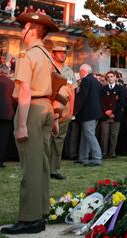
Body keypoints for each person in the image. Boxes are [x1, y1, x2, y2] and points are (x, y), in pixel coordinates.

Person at [0, 12, 59, 235]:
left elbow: (24, 91)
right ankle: (41, 211)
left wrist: (22, 124)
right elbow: (56, 87)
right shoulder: (48, 55)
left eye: (23, 27)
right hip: (46, 107)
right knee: (42, 164)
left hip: (32, 109)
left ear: (32, 30)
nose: (21, 31)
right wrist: (53, 116)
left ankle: (30, 219)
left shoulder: (27, 55)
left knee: (30, 167)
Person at [49, 45, 75, 179]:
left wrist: (71, 111)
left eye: (65, 53)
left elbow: (72, 93)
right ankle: (43, 168)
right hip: (48, 110)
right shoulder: (48, 67)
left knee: (59, 142)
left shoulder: (69, 71)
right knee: (46, 140)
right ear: (53, 54)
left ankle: (55, 170)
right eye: (60, 53)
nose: (63, 55)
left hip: (64, 112)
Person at [73, 64, 103, 167]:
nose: (79, 74)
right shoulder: (96, 81)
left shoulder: (86, 81)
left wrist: (75, 110)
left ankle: (97, 158)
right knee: (86, 135)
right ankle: (83, 157)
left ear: (83, 71)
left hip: (88, 113)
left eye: (80, 72)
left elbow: (82, 97)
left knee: (89, 135)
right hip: (94, 113)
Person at [100, 70, 127, 159]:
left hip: (116, 115)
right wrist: (106, 111)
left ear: (115, 77)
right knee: (104, 135)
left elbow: (122, 102)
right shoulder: (103, 88)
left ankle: (112, 153)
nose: (110, 78)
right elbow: (101, 102)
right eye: (108, 77)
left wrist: (112, 112)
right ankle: (104, 152)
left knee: (114, 135)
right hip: (105, 115)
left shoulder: (121, 88)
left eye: (112, 76)